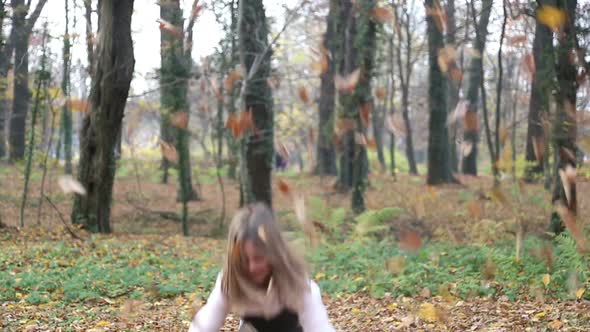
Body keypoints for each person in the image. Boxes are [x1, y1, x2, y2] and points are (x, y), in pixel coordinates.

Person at [188, 203, 336, 332]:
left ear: (275, 253)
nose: (252, 267)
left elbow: (319, 327)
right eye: (244, 259)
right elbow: (206, 323)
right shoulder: (230, 281)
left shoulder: (297, 283)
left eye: (259, 258)